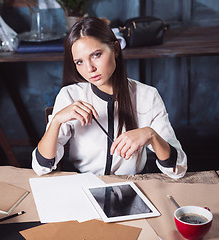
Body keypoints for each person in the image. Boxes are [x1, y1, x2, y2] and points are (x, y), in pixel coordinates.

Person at [32, 17, 187, 179]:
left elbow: (178, 169)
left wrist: (151, 135)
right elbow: (41, 167)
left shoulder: (147, 96)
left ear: (116, 49)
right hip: (83, 184)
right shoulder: (70, 95)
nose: (89, 68)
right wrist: (56, 121)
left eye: (96, 55)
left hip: (132, 186)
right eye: (79, 62)